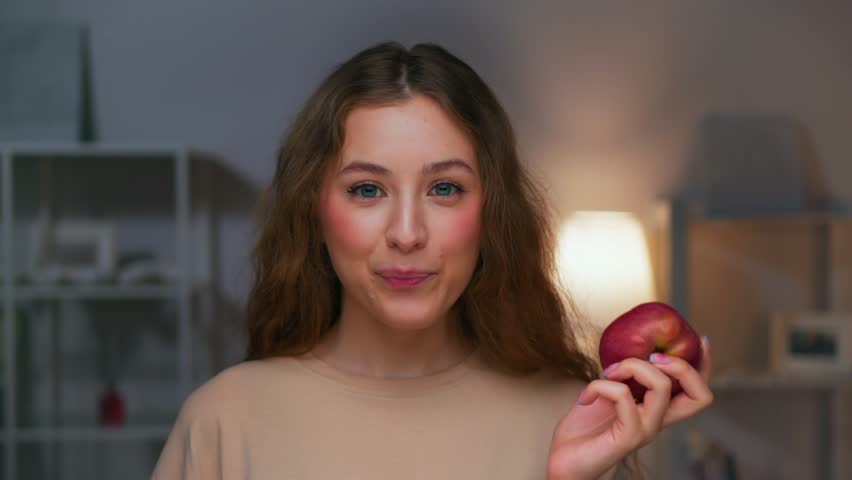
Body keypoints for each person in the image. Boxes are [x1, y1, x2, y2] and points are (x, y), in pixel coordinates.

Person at [152, 41, 713, 480]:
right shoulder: (225, 419)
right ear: (313, 212)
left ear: (491, 212)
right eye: (367, 190)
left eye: (444, 188)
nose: (406, 233)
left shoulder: (574, 413)